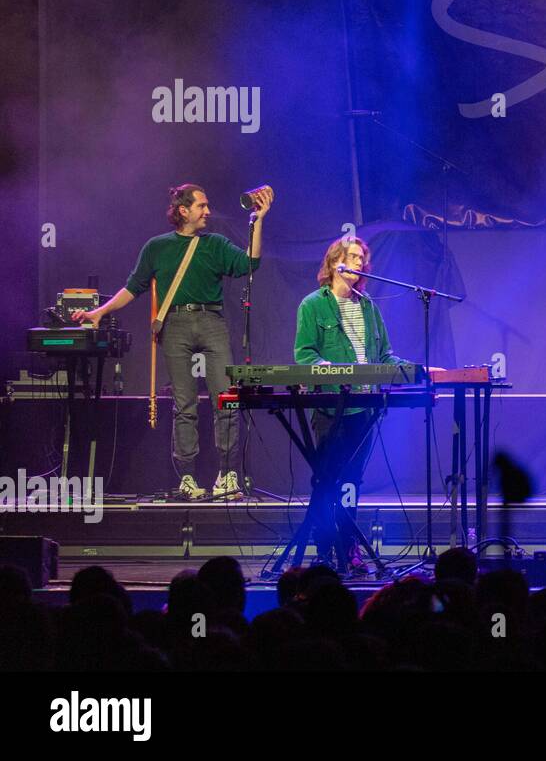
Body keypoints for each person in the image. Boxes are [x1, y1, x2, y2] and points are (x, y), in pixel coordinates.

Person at [73, 183, 272, 500]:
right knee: (185, 406)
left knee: (227, 401)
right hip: (175, 324)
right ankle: (188, 479)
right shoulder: (157, 247)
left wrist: (258, 220)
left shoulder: (215, 244)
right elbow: (133, 287)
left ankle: (227, 474)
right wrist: (99, 312)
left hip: (212, 321)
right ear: (183, 210)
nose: (208, 211)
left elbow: (250, 263)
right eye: (201, 206)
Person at [293, 235, 427, 573]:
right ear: (334, 262)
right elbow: (305, 354)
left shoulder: (368, 307)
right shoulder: (313, 304)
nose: (357, 263)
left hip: (363, 408)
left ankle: (348, 549)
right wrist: (327, 370)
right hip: (330, 406)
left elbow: (383, 356)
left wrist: (414, 368)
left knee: (352, 480)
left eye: (361, 259)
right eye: (351, 256)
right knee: (326, 480)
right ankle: (325, 551)